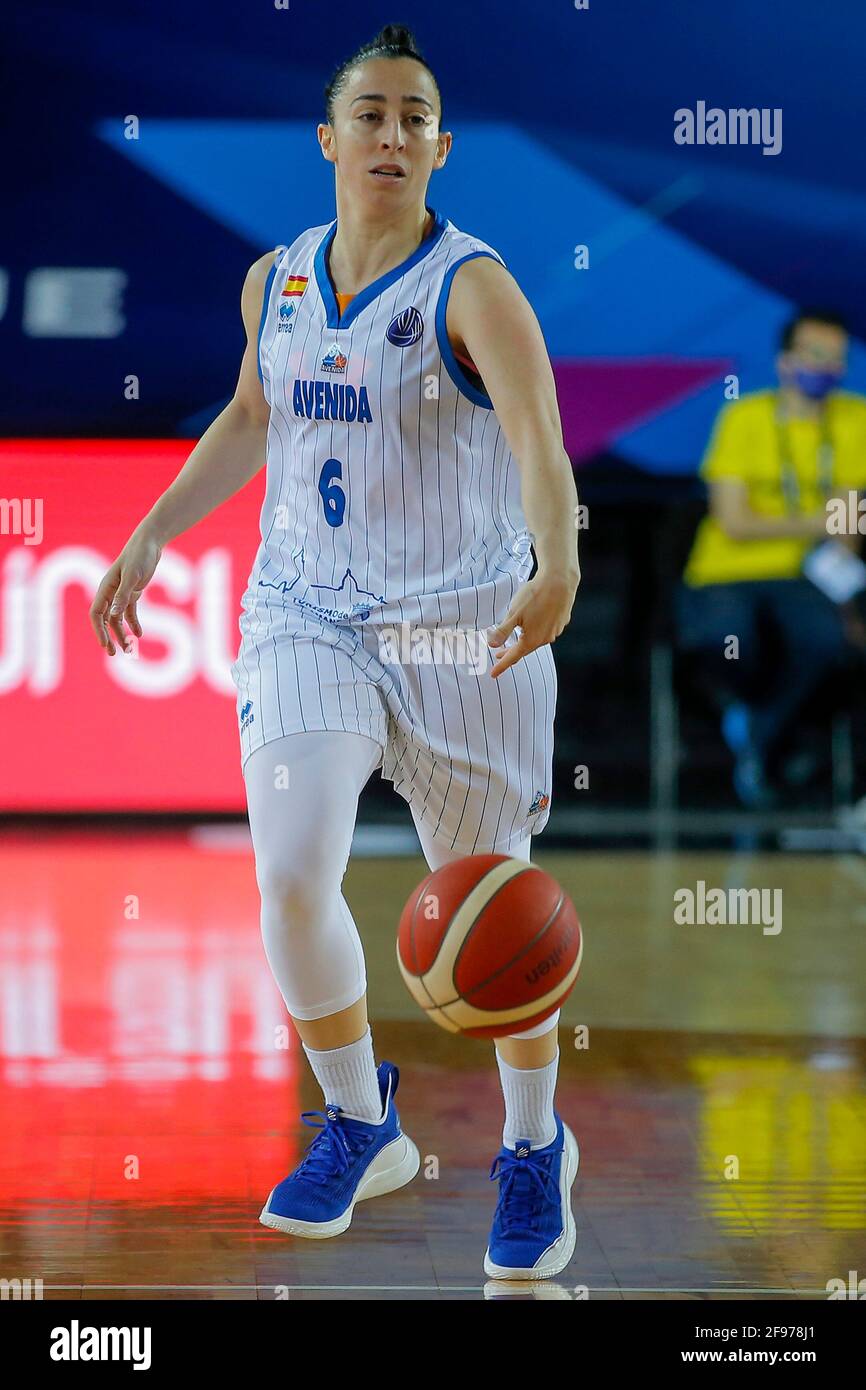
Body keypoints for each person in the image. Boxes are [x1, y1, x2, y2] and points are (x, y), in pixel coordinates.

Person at [89, 24, 581, 1280]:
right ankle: (362, 1118)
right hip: (305, 613)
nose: (390, 135)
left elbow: (535, 434)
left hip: (466, 627)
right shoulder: (277, 280)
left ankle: (532, 1146)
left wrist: (557, 561)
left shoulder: (473, 285)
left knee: (492, 908)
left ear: (439, 146)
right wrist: (151, 531)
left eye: (414, 117)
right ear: (327, 137)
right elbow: (253, 415)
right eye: (368, 113)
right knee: (292, 874)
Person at [677, 309, 866, 807]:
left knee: (826, 641)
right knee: (725, 640)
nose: (824, 366)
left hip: (804, 575)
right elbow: (734, 522)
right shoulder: (745, 416)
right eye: (813, 354)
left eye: (835, 358)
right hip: (725, 571)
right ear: (785, 361)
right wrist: (820, 520)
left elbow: (848, 530)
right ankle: (760, 722)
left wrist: (846, 600)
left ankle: (759, 731)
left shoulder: (855, 418)